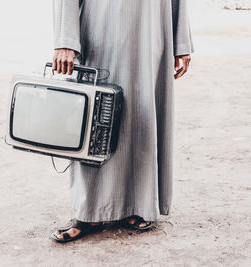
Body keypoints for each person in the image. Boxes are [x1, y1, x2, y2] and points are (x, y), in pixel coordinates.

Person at [51, 0, 194, 243]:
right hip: (99, 28)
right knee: (96, 119)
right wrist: (65, 41)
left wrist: (181, 42)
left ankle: (139, 203)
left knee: (142, 113)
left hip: (151, 29)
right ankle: (90, 211)